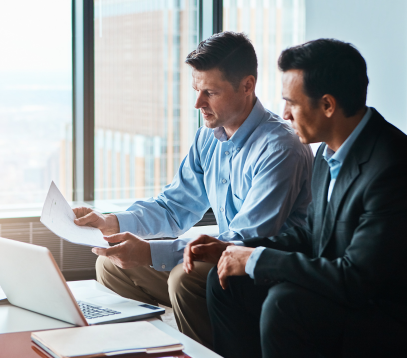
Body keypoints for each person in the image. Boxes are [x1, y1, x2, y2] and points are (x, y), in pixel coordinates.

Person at [184, 38, 407, 357]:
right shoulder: (328, 153)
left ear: (327, 105)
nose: (283, 114)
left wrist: (255, 260)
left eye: (292, 103)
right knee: (228, 283)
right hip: (353, 305)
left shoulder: (396, 168)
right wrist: (236, 250)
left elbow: (356, 277)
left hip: (404, 324)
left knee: (285, 304)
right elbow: (314, 233)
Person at [73, 31, 313, 349]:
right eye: (196, 90)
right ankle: (143, 349)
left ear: (247, 86)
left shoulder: (280, 146)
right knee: (112, 265)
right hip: (222, 257)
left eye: (210, 93)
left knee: (185, 279)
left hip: (262, 269)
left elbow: (247, 239)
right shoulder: (207, 137)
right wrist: (111, 223)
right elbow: (174, 206)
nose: (198, 103)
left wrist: (148, 252)